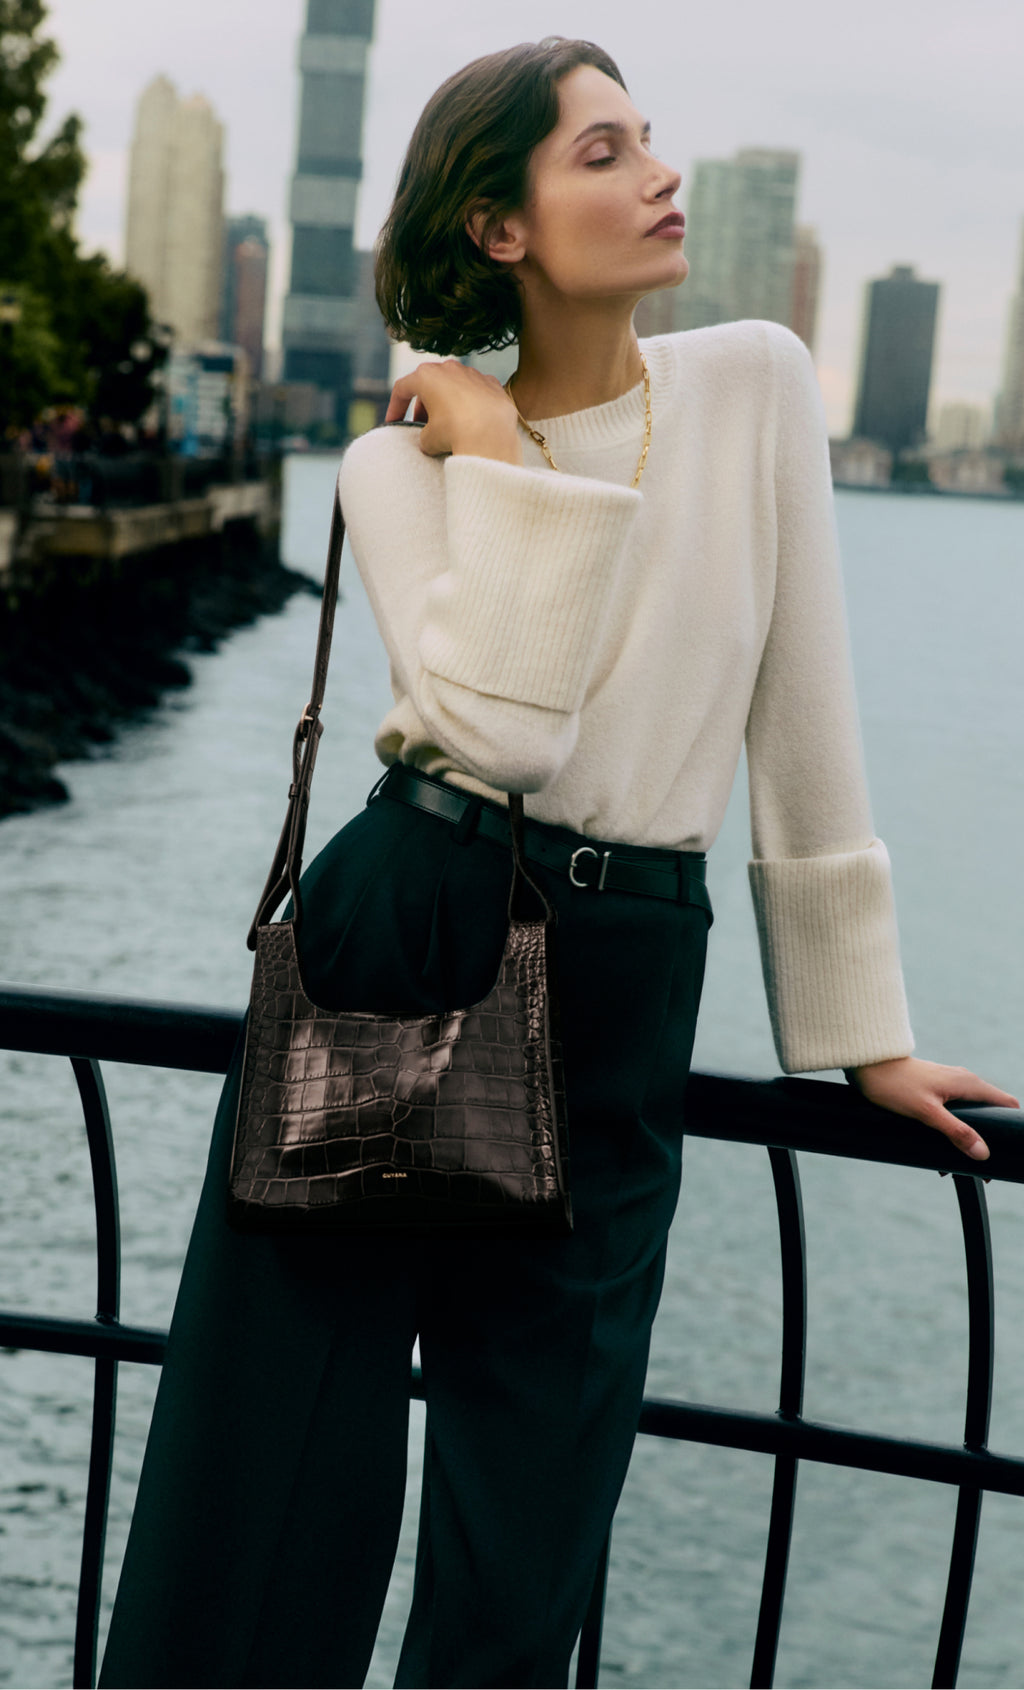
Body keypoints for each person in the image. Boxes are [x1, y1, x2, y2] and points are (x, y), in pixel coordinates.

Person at [99, 37, 1018, 1690]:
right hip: (409, 917)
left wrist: (860, 1031)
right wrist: (503, 456)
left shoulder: (750, 386)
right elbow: (505, 734)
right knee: (278, 1460)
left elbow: (804, 718)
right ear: (497, 223)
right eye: (603, 152)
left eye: (649, 141)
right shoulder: (402, 462)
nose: (658, 173)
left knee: (532, 1507)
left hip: (626, 969)